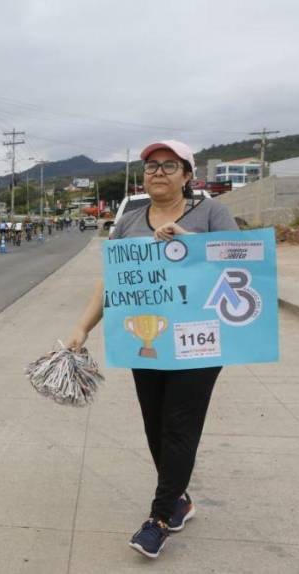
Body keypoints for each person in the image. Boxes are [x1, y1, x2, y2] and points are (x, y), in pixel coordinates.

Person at [65, 139, 238, 560]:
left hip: (198, 342)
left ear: (187, 175)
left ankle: (159, 519)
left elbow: (240, 261)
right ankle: (180, 500)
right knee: (156, 425)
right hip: (148, 342)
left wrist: (187, 241)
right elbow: (112, 281)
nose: (158, 172)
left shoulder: (211, 213)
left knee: (179, 425)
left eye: (169, 165)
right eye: (151, 166)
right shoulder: (128, 223)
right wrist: (82, 328)